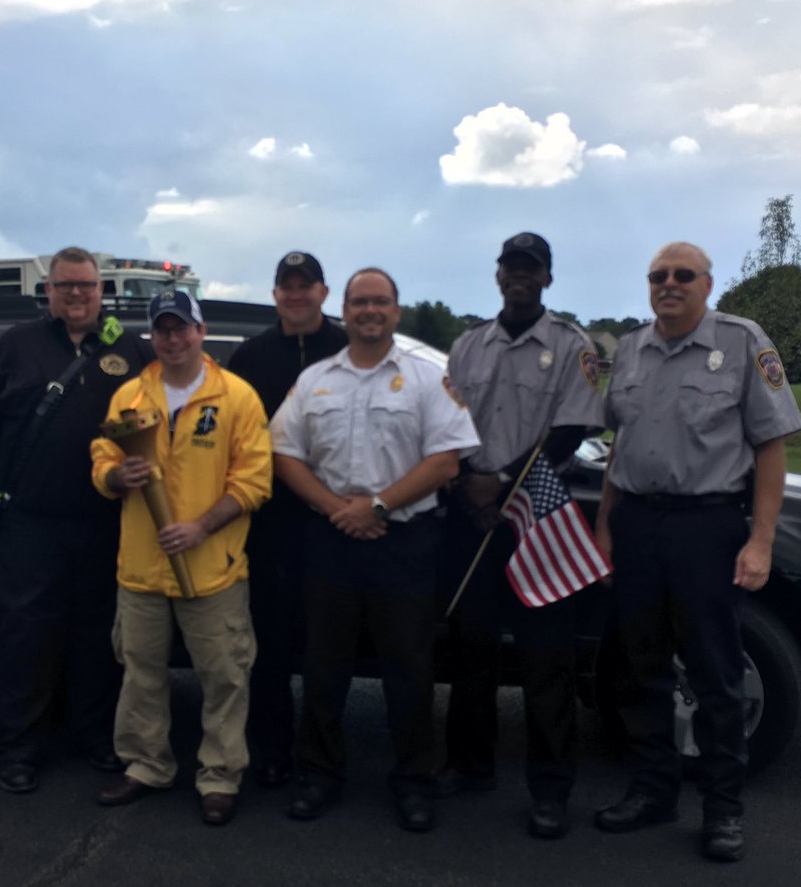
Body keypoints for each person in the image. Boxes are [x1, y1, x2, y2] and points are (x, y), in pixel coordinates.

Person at [593, 241, 801, 862]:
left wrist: (760, 541)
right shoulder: (630, 348)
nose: (669, 283)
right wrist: (606, 526)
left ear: (707, 284)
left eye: (683, 275)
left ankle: (722, 810)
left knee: (715, 673)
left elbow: (770, 448)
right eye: (658, 275)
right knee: (643, 667)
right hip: (636, 525)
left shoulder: (741, 342)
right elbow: (619, 445)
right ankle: (654, 790)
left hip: (706, 528)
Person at [270, 267, 479, 832]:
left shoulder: (426, 379)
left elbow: (446, 460)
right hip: (332, 539)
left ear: (396, 311)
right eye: (360, 302)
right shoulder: (315, 379)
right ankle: (318, 774)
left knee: (409, 669)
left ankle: (414, 781)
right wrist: (340, 510)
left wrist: (377, 506)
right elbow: (284, 454)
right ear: (345, 308)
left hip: (404, 542)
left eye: (380, 302)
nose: (369, 311)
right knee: (324, 667)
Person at [0, 246, 153, 794]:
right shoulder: (15, 346)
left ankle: (93, 736)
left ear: (103, 291)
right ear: (47, 291)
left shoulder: (129, 350)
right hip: (29, 522)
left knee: (98, 637)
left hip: (105, 521)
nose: (77, 294)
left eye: (87, 286)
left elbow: (145, 429)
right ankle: (20, 746)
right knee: (26, 635)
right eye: (66, 285)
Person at [442, 233, 605, 839]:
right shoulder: (466, 346)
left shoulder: (573, 347)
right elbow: (447, 426)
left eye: (530, 269)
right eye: (511, 267)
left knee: (546, 660)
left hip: (535, 518)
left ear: (547, 279)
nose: (519, 277)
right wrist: (470, 483)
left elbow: (567, 431)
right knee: (471, 650)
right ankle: (470, 764)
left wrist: (503, 484)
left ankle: (551, 790)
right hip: (473, 516)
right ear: (498, 276)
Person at [90, 288, 271, 826]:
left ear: (201, 331)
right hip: (142, 568)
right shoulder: (128, 397)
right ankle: (146, 765)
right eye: (162, 330)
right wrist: (115, 477)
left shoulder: (237, 397)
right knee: (140, 672)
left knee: (224, 677)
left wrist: (200, 527)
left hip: (212, 569)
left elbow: (255, 481)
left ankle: (219, 776)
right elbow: (103, 454)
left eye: (181, 328)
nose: (172, 338)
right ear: (152, 337)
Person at [226, 251, 347, 787]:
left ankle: (322, 756)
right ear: (275, 294)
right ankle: (271, 750)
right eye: (286, 286)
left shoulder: (349, 350)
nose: (296, 295)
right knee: (268, 648)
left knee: (328, 648)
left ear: (324, 292)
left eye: (306, 286)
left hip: (337, 521)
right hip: (268, 523)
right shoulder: (250, 356)